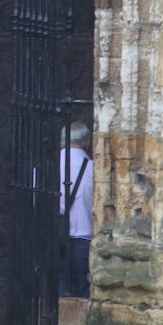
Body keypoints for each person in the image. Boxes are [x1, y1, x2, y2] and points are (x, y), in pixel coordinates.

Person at [60, 121, 94, 299]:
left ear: (61, 141)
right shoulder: (94, 170)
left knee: (53, 290)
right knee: (81, 291)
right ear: (87, 142)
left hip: (53, 239)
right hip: (83, 239)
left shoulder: (45, 168)